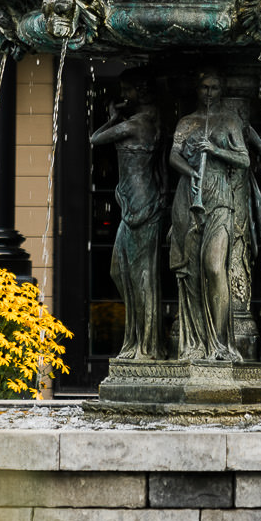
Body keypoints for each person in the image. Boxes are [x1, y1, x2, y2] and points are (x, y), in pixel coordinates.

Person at [168, 69, 261, 361]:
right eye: (205, 87)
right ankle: (195, 343)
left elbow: (244, 159)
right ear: (198, 90)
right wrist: (191, 170)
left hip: (221, 198)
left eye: (215, 88)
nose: (210, 93)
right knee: (192, 273)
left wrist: (216, 150)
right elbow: (173, 156)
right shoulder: (187, 122)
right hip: (189, 197)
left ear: (221, 90)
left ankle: (220, 342)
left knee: (213, 267)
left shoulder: (229, 121)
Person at [90, 77, 163, 361]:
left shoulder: (136, 124)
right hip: (135, 201)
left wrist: (111, 118)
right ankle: (139, 339)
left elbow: (95, 139)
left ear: (141, 91)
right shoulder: (149, 121)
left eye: (127, 89)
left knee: (139, 275)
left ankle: (145, 345)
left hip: (140, 205)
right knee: (120, 271)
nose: (123, 94)